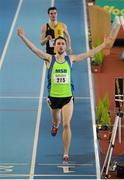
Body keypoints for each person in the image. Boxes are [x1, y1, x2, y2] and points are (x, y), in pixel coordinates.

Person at [17, 27, 112, 161]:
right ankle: (55, 126)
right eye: (58, 43)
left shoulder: (71, 59)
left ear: (66, 46)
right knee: (57, 121)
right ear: (55, 46)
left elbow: (89, 53)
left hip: (67, 97)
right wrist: (22, 37)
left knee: (66, 124)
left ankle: (66, 152)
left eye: (63, 43)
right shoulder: (49, 59)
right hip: (53, 98)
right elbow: (34, 49)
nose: (61, 45)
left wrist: (104, 44)